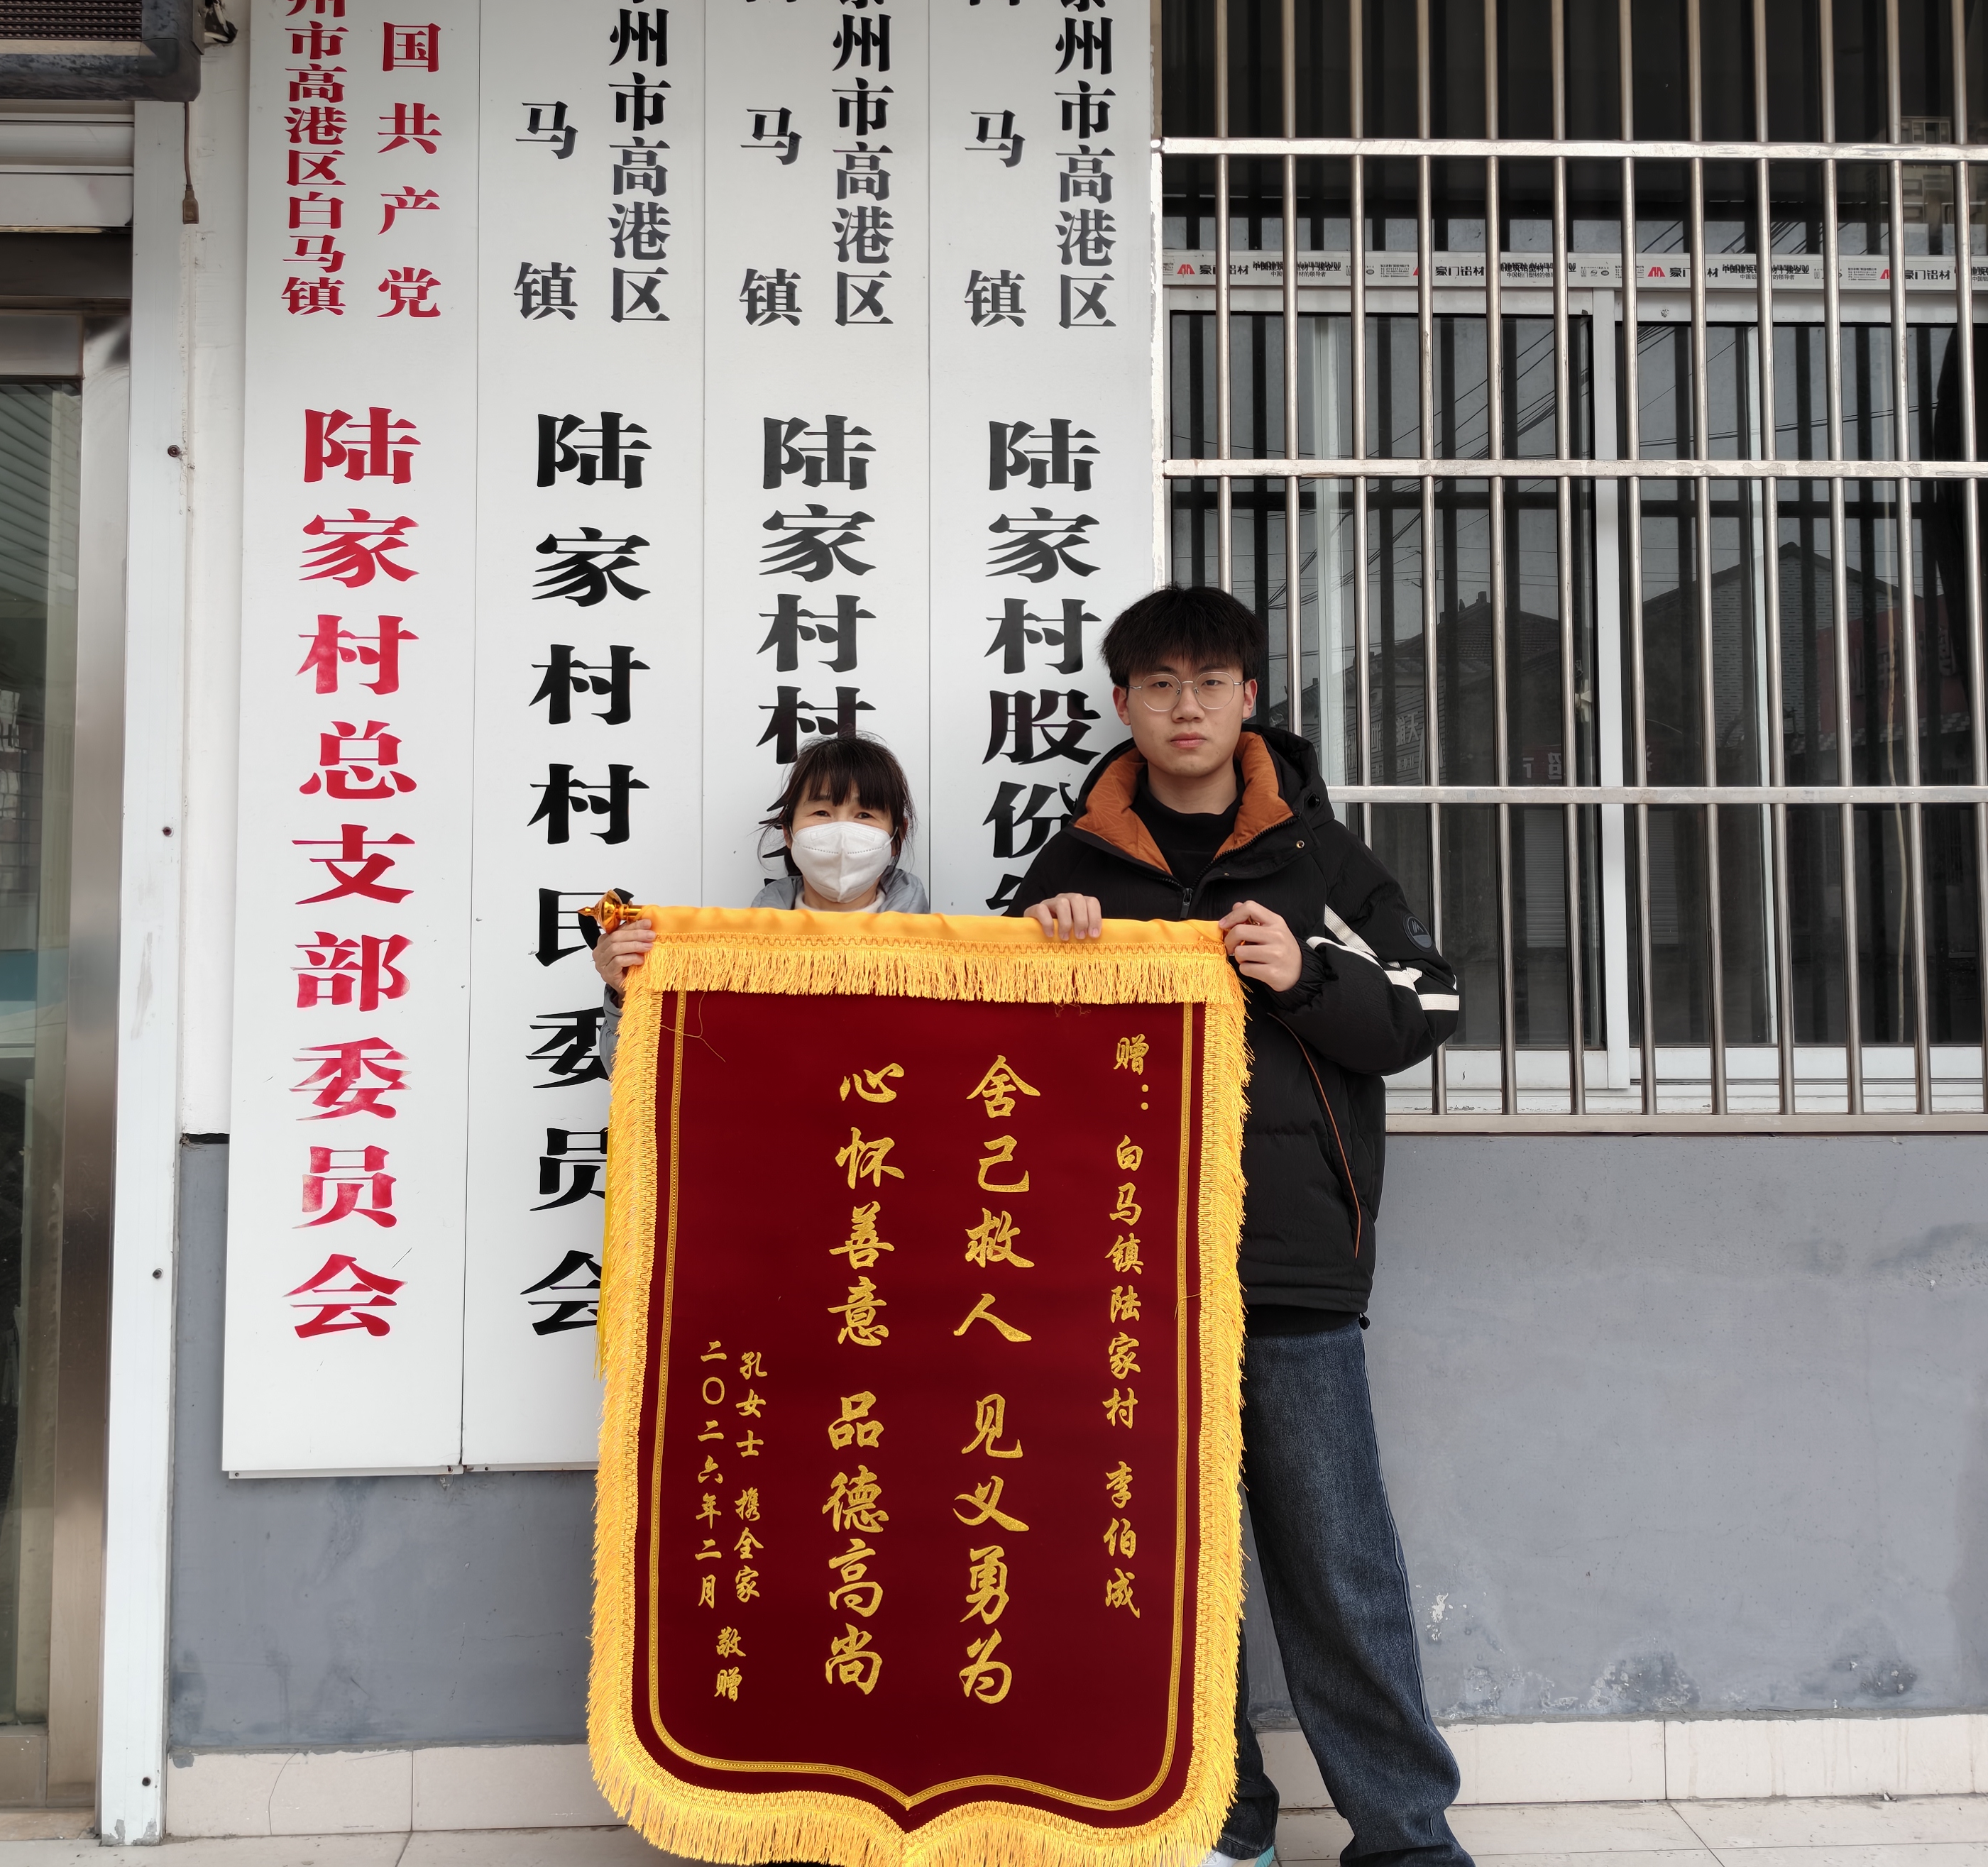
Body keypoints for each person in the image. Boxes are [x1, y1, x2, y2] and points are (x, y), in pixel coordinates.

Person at [1006, 585, 1472, 1867]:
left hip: (1293, 1267)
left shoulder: (1317, 857)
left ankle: (1407, 1841)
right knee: (1164, 1568)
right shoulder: (1075, 868)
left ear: (1250, 698)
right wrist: (1043, 964)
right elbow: (992, 1067)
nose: (1187, 707)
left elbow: (1432, 1003)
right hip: (1123, 1279)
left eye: (1211, 682)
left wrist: (1307, 972)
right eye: (1160, 684)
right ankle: (1220, 1822)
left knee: (1340, 1571)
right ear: (1123, 704)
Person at [592, 734, 930, 1067]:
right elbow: (658, 1077)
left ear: (896, 836)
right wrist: (628, 993)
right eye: (822, 812)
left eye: (865, 815)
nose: (842, 833)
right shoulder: (729, 958)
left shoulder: (943, 968)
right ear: (788, 832)